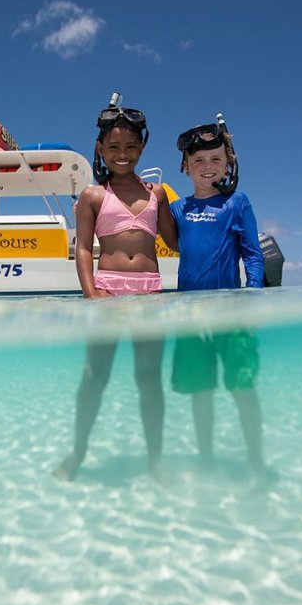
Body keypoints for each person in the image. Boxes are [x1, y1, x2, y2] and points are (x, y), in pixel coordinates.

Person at [54, 99, 177, 482]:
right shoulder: (92, 196)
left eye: (130, 148)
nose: (122, 155)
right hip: (107, 290)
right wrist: (92, 295)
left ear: (141, 149)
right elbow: (84, 251)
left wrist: (176, 205)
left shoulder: (156, 195)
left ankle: (155, 459)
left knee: (149, 379)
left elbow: (174, 241)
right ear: (100, 150)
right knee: (95, 378)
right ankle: (78, 453)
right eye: (113, 148)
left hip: (150, 293)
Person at [168, 116, 268, 481]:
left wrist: (252, 296)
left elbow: (253, 254)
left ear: (228, 163)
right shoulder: (177, 209)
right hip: (190, 315)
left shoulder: (237, 203)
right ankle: (206, 460)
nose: (208, 168)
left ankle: (256, 461)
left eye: (216, 160)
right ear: (186, 167)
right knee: (201, 392)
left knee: (243, 388)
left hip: (230, 314)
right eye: (199, 161)